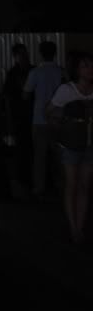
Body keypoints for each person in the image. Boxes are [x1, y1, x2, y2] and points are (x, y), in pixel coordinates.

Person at [46, 51, 93, 245]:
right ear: (76, 69)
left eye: (91, 65)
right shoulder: (66, 90)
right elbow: (49, 112)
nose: (90, 69)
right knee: (72, 185)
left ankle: (79, 228)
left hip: (90, 145)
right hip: (70, 145)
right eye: (85, 65)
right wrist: (66, 120)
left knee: (84, 187)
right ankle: (73, 226)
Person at [23, 40, 65, 197]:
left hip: (39, 119)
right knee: (59, 156)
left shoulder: (36, 73)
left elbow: (26, 94)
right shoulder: (61, 72)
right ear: (54, 53)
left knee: (39, 156)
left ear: (41, 53)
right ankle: (63, 185)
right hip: (57, 118)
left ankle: (39, 187)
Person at [1, 42, 33, 194]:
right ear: (15, 57)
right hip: (20, 118)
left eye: (25, 53)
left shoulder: (32, 71)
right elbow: (8, 99)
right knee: (21, 150)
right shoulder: (13, 74)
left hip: (32, 117)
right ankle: (23, 179)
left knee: (30, 150)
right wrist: (10, 122)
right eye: (21, 54)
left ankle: (28, 179)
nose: (24, 57)